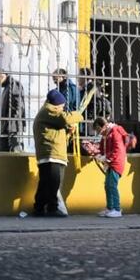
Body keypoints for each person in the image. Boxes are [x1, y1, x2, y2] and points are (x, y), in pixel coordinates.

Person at [32, 89, 82, 217]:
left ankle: (39, 208)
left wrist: (68, 132)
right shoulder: (49, 110)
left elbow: (58, 129)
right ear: (56, 104)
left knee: (45, 183)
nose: (63, 107)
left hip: (49, 153)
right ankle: (52, 208)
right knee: (54, 183)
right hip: (52, 154)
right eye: (62, 105)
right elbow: (65, 119)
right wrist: (79, 114)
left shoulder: (47, 113)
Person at [93, 116, 129, 218]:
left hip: (116, 162)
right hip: (110, 162)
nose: (98, 132)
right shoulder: (107, 134)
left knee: (112, 185)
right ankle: (110, 208)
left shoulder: (114, 131)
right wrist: (97, 153)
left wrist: (105, 157)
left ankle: (117, 209)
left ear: (103, 126)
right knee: (107, 185)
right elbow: (101, 147)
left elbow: (118, 149)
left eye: (98, 129)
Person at [0, 68, 26, 152]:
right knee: (4, 154)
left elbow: (18, 107)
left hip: (13, 128)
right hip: (6, 127)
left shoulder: (14, 85)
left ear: (2, 75)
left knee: (15, 153)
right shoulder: (8, 87)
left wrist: (10, 122)